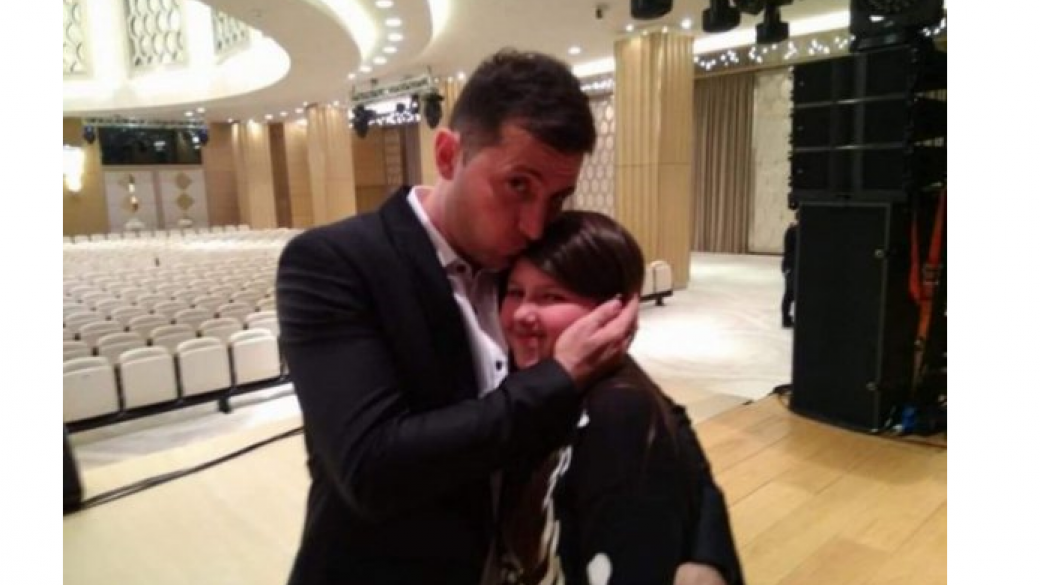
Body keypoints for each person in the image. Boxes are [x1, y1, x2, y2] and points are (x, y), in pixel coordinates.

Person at [276, 49, 639, 585]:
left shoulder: (523, 265)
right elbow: (372, 468)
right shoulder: (334, 261)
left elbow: (639, 400)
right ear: (449, 155)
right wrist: (556, 378)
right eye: (518, 185)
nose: (536, 226)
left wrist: (706, 546)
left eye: (557, 198)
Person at [496, 211, 745, 585]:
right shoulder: (535, 384)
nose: (522, 314)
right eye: (515, 292)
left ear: (615, 313)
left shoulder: (616, 412)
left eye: (552, 296)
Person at [781, 218, 798, 328]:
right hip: (792, 265)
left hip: (789, 265)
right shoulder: (794, 230)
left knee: (789, 293)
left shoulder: (791, 229)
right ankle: (786, 319)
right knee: (790, 293)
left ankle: (786, 319)